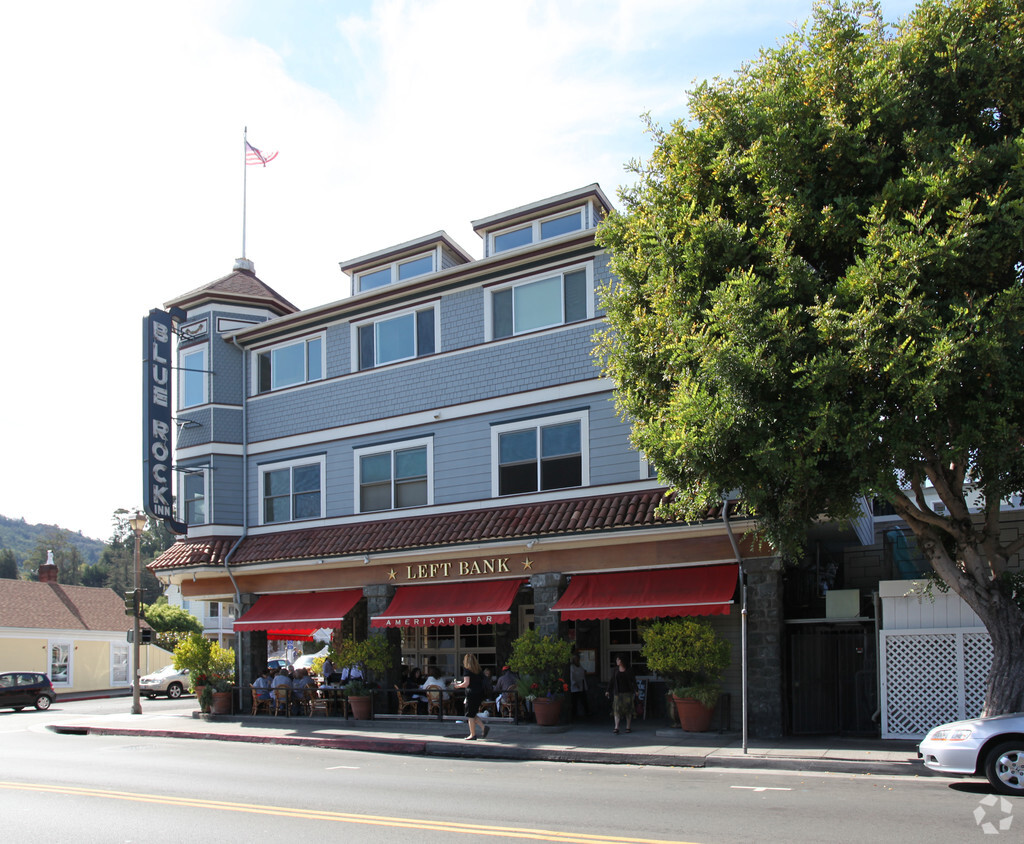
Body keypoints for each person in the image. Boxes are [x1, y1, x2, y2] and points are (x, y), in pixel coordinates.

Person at [452, 653, 488, 740]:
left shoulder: (467, 670)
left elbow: (466, 683)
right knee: (473, 713)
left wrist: (458, 685)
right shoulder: (479, 670)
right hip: (479, 694)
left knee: (470, 715)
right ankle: (483, 728)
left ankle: (473, 734)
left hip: (471, 694)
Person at [605, 654, 637, 734]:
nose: (617, 661)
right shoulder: (615, 670)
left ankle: (628, 727)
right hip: (617, 693)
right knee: (616, 710)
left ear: (622, 661)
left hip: (627, 692)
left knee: (628, 710)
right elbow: (612, 680)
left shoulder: (629, 670)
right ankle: (616, 727)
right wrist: (608, 690)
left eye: (618, 660)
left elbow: (633, 681)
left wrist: (636, 690)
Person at [569, 654, 589, 719]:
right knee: (574, 701)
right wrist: (575, 683)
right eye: (576, 659)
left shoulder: (579, 665)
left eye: (578, 659)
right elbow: (572, 676)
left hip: (582, 685)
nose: (577, 660)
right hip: (575, 686)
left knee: (584, 700)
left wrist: (584, 672)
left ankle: (587, 712)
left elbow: (582, 671)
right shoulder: (572, 667)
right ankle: (573, 715)